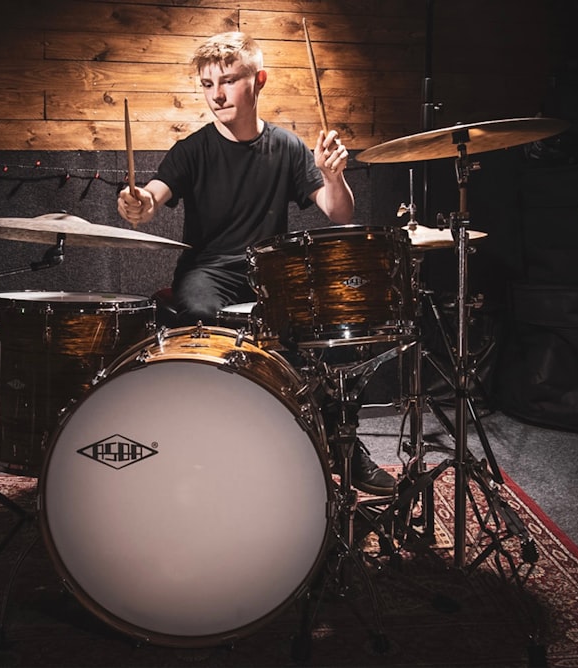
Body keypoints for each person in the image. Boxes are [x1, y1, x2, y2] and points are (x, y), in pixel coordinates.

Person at [117, 32, 395, 496]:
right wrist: (139, 204)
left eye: (228, 80)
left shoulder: (286, 147)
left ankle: (342, 446)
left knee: (333, 335)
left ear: (259, 81)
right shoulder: (191, 150)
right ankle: (220, 445)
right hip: (208, 275)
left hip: (270, 277)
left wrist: (332, 175)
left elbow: (339, 212)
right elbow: (152, 196)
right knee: (203, 311)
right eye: (207, 84)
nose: (217, 94)